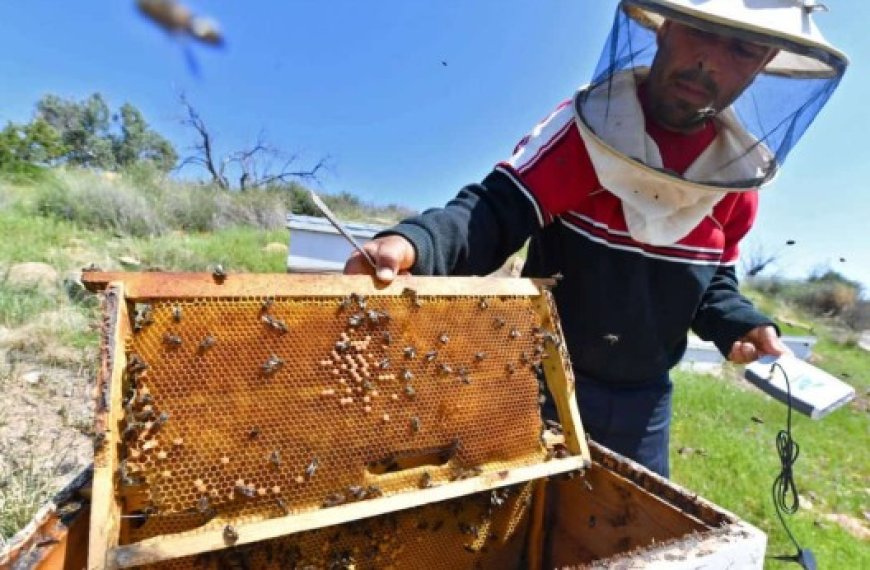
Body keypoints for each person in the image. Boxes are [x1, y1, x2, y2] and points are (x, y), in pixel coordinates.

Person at [344, 0, 848, 477]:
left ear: (763, 64)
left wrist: (740, 322)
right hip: (541, 380)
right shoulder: (586, 134)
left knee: (633, 542)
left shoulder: (734, 179)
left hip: (645, 402)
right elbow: (493, 213)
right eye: (701, 30)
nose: (708, 62)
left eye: (740, 49)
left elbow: (714, 279)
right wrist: (417, 243)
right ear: (664, 25)